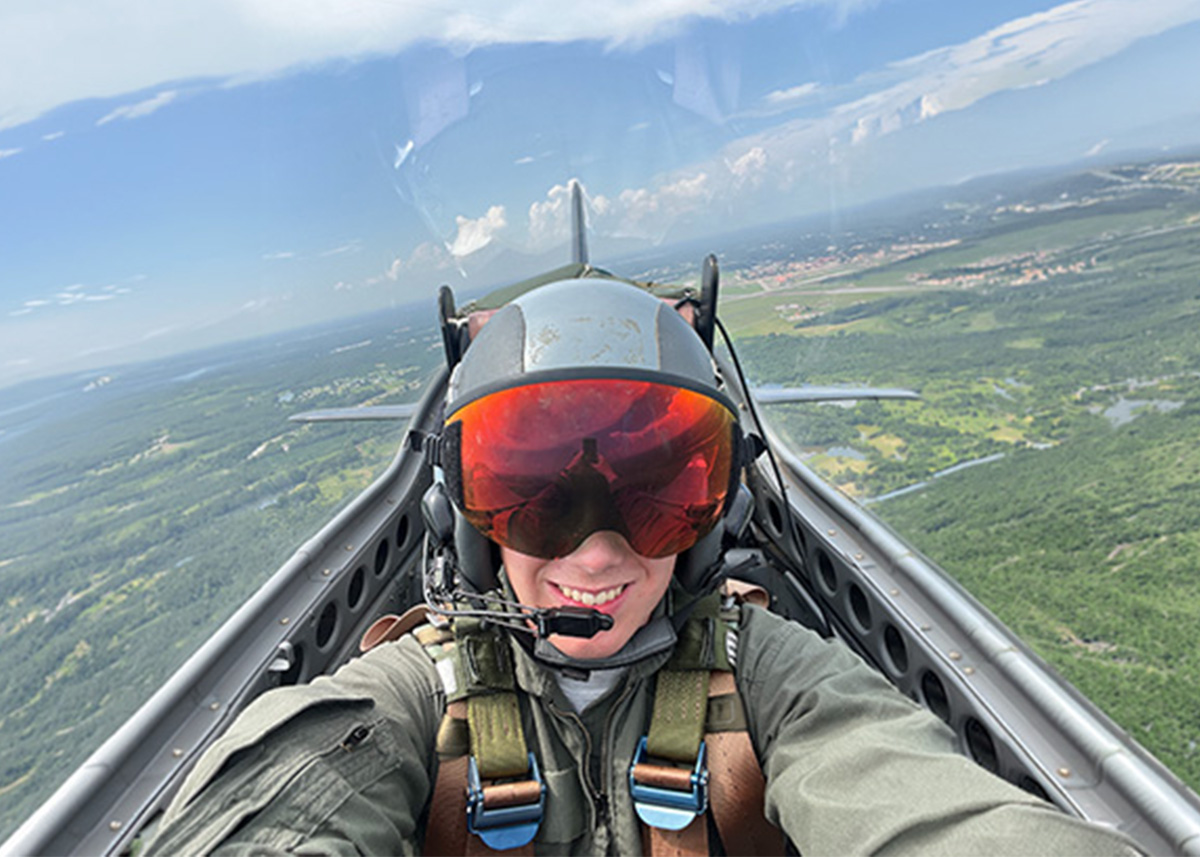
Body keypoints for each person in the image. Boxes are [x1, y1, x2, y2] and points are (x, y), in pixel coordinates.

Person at [145, 278, 1143, 856]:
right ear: (468, 522)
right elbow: (283, 803)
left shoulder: (773, 677)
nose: (595, 549)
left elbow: (928, 806)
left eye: (656, 492)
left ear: (713, 519)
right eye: (536, 497)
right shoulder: (411, 692)